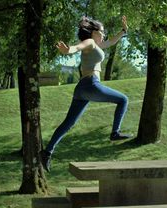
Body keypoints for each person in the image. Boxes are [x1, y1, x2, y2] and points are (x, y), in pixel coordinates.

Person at [41, 15, 132, 172]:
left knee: (68, 123)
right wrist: (68, 50)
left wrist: (123, 31)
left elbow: (111, 42)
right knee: (123, 100)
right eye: (102, 32)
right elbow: (77, 47)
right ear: (93, 32)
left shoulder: (96, 46)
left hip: (81, 90)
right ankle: (115, 133)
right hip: (91, 85)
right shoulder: (89, 42)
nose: (104, 34)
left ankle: (47, 152)